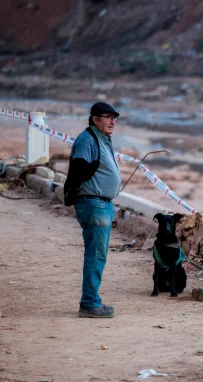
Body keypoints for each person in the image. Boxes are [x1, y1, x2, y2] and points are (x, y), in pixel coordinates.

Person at [64, 102, 121, 318]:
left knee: (97, 255)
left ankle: (91, 300)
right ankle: (89, 303)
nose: (112, 121)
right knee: (96, 255)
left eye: (114, 117)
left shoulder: (102, 139)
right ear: (95, 119)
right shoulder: (87, 139)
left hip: (101, 204)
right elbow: (78, 171)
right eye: (107, 117)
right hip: (94, 204)